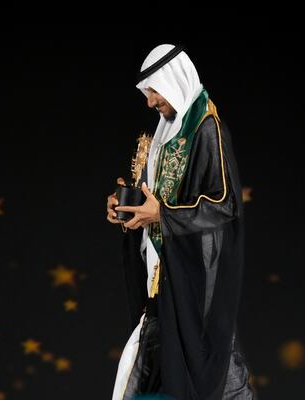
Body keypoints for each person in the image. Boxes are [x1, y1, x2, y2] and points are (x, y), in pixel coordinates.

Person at [106, 44, 256, 400]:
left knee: (209, 364)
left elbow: (225, 203)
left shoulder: (206, 128)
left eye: (154, 92)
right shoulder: (164, 131)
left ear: (173, 83)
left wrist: (162, 215)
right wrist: (125, 205)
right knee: (166, 360)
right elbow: (154, 191)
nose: (151, 103)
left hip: (194, 272)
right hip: (162, 270)